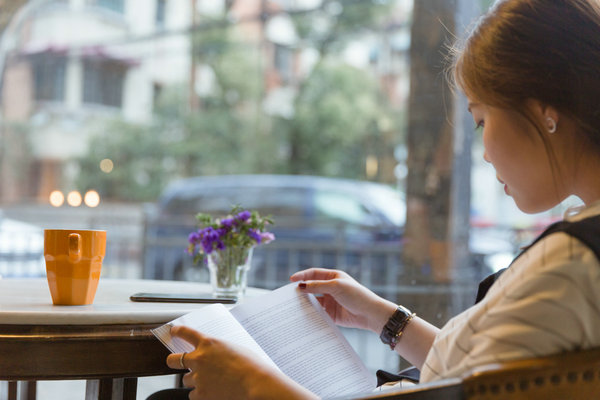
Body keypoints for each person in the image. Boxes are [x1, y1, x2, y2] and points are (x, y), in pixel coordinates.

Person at [150, 0, 600, 398]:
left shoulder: (570, 262)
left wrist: (254, 384)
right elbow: (474, 373)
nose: (482, 151)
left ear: (545, 110)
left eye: (481, 120)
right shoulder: (577, 253)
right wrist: (384, 317)